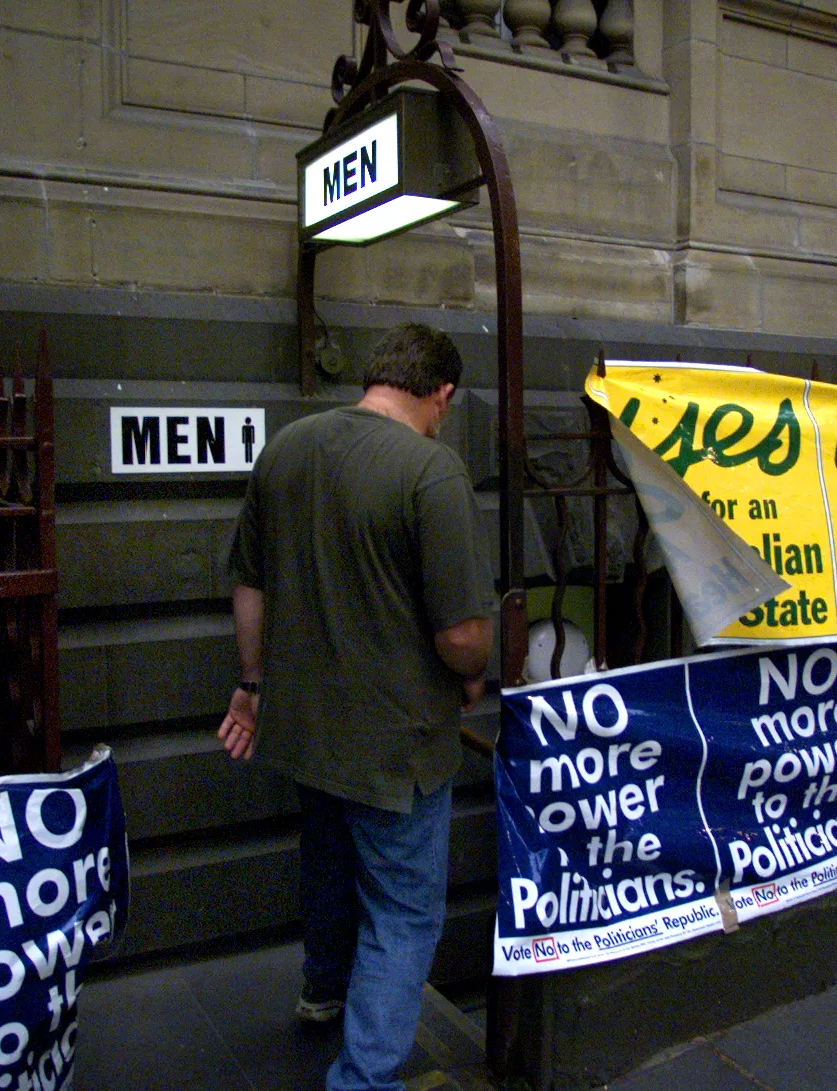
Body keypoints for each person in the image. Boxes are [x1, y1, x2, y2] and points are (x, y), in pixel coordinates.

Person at [219, 323, 495, 1091]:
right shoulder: (430, 470)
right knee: (403, 915)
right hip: (395, 747)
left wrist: (253, 684)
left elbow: (250, 582)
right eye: (446, 405)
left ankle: (320, 992)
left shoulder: (286, 449)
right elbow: (463, 634)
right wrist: (475, 670)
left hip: (302, 727)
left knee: (330, 867)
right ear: (439, 394)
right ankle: (364, 1080)